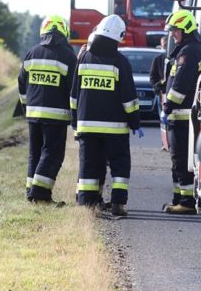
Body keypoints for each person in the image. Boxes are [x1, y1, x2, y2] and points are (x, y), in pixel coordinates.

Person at [70, 15, 143, 217]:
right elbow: (129, 98)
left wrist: (75, 121)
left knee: (89, 165)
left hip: (87, 126)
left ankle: (87, 204)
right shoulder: (120, 62)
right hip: (115, 129)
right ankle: (118, 204)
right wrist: (135, 121)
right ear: (119, 37)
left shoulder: (83, 59)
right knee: (120, 165)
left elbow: (74, 94)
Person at [18, 15, 77, 204]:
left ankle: (31, 192)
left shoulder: (32, 53)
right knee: (52, 154)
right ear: (64, 32)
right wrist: (75, 114)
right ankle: (40, 195)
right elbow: (74, 89)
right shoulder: (68, 56)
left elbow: (21, 82)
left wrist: (26, 106)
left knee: (34, 153)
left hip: (33, 114)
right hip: (56, 116)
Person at [162, 9, 201, 215]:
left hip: (182, 116)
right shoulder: (187, 50)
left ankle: (186, 201)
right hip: (181, 116)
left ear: (186, 29)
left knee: (181, 160)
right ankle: (179, 198)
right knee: (177, 160)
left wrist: (168, 104)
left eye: (175, 30)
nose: (172, 34)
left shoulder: (188, 52)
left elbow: (181, 84)